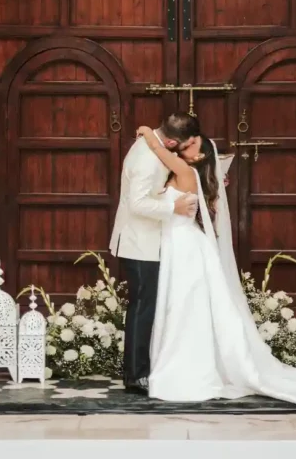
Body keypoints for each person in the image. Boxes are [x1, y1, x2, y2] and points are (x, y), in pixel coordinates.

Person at [135, 126, 296, 417]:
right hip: (178, 245)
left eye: (195, 143)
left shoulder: (185, 170)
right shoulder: (184, 170)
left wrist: (148, 132)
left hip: (185, 249)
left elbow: (158, 150)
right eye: (190, 139)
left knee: (185, 305)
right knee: (182, 305)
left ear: (200, 157)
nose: (188, 144)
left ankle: (184, 367)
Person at [109, 112, 200, 394]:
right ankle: (135, 375)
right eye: (182, 146)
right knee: (142, 307)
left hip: (148, 241)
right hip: (140, 243)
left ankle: (142, 368)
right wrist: (172, 207)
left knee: (146, 306)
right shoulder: (147, 159)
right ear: (171, 141)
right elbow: (137, 204)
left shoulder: (152, 145)